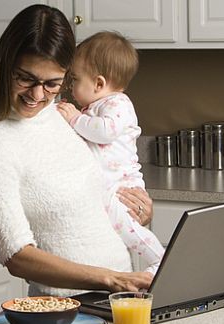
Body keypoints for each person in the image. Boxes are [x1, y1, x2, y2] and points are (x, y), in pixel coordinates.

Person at [0, 4, 155, 298]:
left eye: (52, 83)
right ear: (4, 65)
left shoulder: (62, 116)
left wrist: (137, 212)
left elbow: (93, 202)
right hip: (63, 311)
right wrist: (109, 279)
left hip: (120, 298)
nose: (38, 95)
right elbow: (16, 256)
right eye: (25, 78)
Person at [56, 31, 164, 275]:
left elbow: (105, 131)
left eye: (75, 79)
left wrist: (74, 118)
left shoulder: (118, 103)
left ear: (99, 84)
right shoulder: (93, 107)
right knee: (119, 230)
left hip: (122, 187)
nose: (70, 86)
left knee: (128, 229)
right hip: (106, 189)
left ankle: (160, 261)